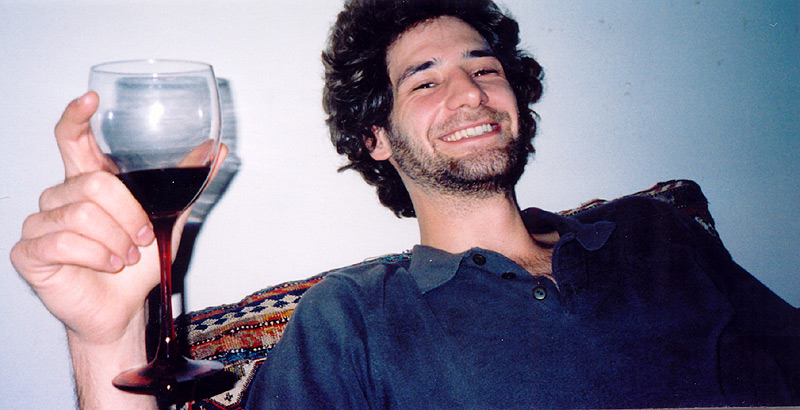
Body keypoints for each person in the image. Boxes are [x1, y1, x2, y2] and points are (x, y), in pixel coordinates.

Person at [10, 0, 798, 409]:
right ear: (376, 138)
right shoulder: (351, 319)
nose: (470, 93)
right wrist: (104, 341)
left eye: (484, 69)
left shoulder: (657, 233)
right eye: (425, 80)